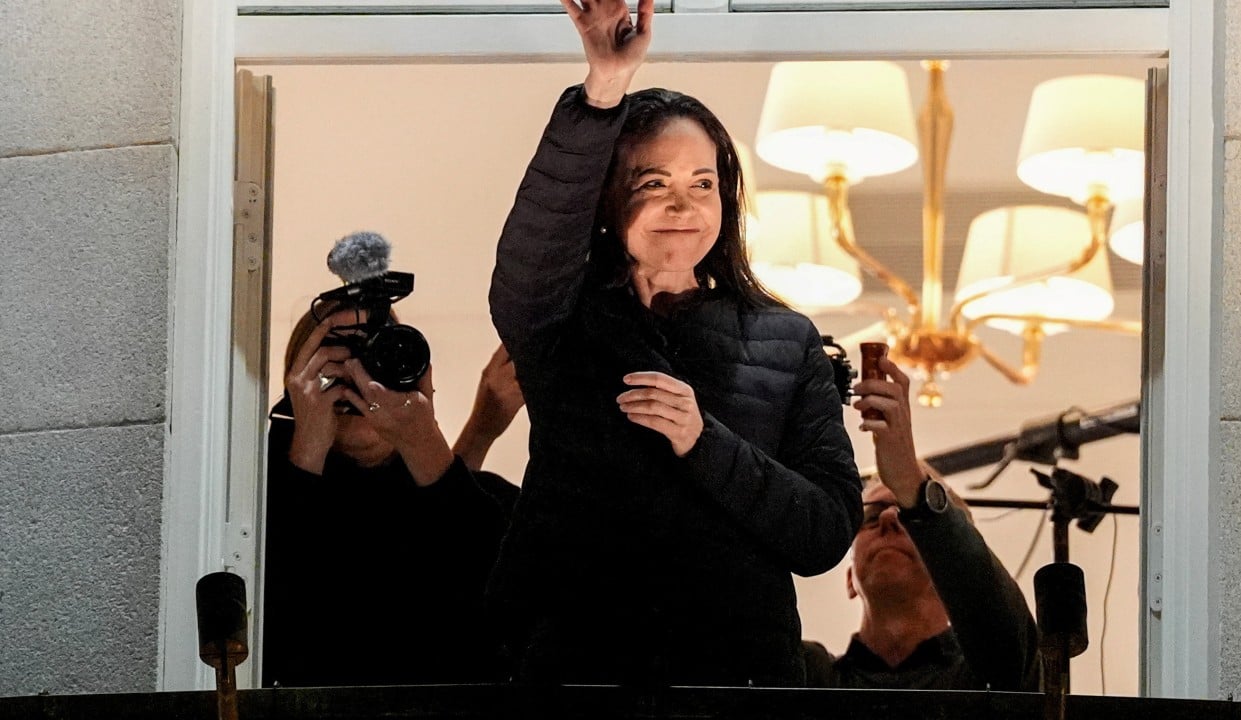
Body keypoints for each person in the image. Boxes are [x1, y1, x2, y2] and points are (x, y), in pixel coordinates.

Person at [486, 0, 861, 687]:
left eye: (702, 184)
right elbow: (533, 249)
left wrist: (704, 441)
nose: (682, 206)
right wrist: (602, 91)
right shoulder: (560, 320)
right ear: (607, 199)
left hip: (740, 681)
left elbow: (825, 532)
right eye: (652, 183)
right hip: (577, 673)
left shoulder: (787, 339)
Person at [261, 299, 524, 687]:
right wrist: (306, 447)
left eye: (374, 356)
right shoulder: (247, 502)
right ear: (298, 384)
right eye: (335, 358)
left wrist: (424, 440)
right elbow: (274, 622)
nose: (357, 377)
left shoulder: (482, 501)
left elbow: (501, 608)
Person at [803, 356, 1040, 691]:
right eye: (871, 517)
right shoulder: (809, 679)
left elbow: (1010, 646)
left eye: (906, 513)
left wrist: (911, 483)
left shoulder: (988, 679)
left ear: (950, 573)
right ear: (850, 579)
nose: (888, 518)